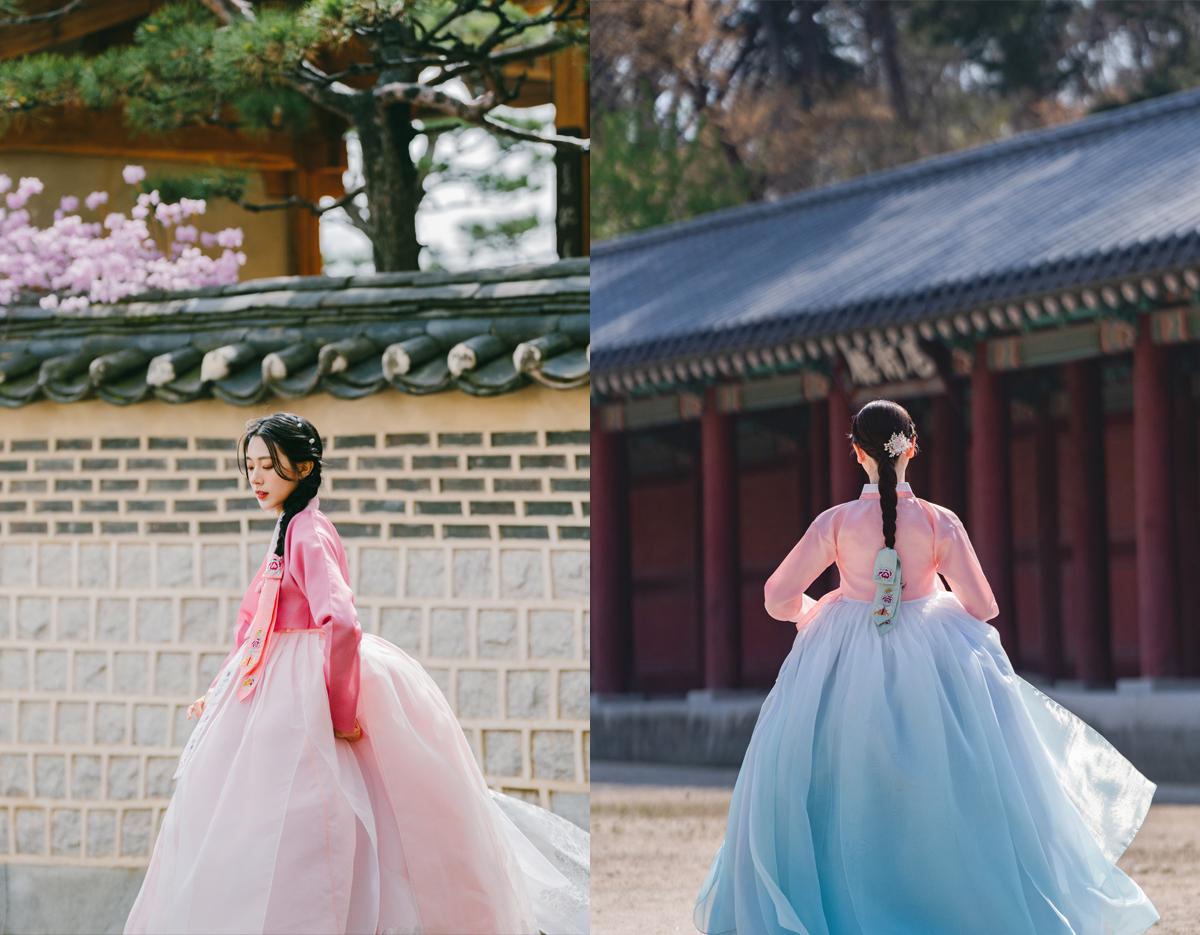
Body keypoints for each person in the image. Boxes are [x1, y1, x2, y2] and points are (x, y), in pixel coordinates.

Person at [693, 398, 1159, 935]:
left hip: (841, 664)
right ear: (911, 448)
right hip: (933, 664)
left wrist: (815, 612)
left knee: (836, 783)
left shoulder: (836, 523)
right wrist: (930, 603)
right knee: (951, 787)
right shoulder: (941, 522)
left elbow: (778, 595)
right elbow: (983, 606)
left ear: (857, 453)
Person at [125, 412, 588, 935]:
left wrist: (339, 710)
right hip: (278, 680)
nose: (256, 478)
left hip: (303, 685)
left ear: (303, 467)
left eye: (269, 467)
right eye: (250, 466)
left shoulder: (308, 531)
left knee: (313, 816)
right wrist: (223, 689)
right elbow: (256, 621)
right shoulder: (290, 527)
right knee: (278, 817)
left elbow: (340, 621)